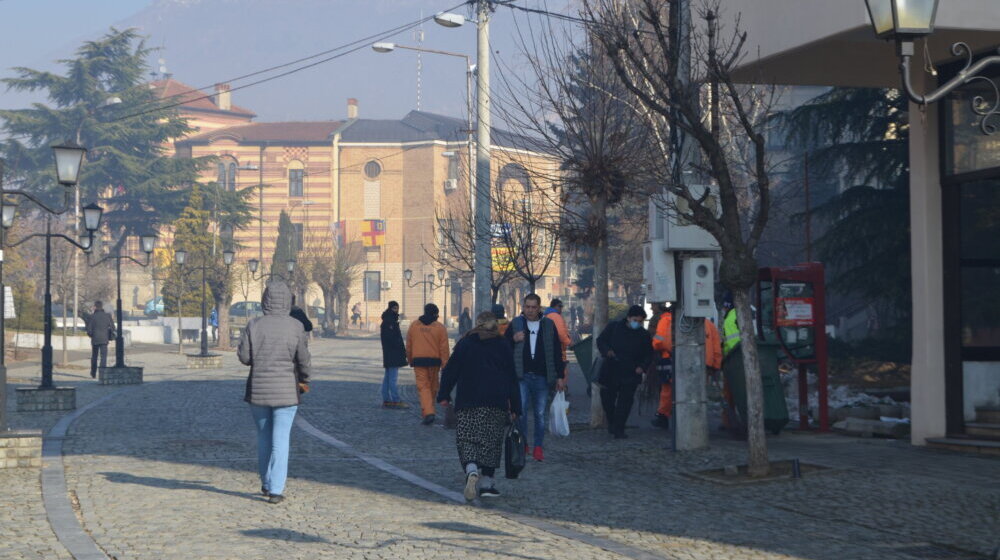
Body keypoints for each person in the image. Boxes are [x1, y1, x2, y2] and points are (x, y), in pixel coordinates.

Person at [237, 281, 311, 505]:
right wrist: (305, 378)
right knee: (281, 439)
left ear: (265, 300)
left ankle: (266, 482)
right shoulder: (296, 326)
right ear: (287, 300)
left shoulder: (254, 325)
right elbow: (303, 359)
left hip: (258, 390)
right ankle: (276, 489)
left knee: (263, 437)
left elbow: (245, 358)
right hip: (287, 391)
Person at [437, 311, 521, 500]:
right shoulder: (503, 345)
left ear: (477, 324)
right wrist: (516, 407)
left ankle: (471, 469)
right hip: (495, 402)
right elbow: (512, 378)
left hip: (468, 401)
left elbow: (451, 370)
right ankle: (486, 483)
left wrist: (444, 395)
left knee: (467, 439)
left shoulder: (466, 343)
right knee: (491, 442)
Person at [504, 293, 565, 462]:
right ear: (523, 307)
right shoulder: (516, 323)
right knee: (521, 412)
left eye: (533, 307)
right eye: (527, 307)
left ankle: (538, 446)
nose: (530, 310)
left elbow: (556, 351)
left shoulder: (548, 325)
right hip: (521, 375)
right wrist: (513, 339)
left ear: (539, 308)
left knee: (539, 413)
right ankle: (523, 444)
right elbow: (503, 346)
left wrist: (560, 376)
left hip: (542, 376)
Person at [597, 305, 653, 439]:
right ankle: (612, 422)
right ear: (628, 318)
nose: (637, 324)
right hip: (611, 369)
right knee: (607, 399)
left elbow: (649, 354)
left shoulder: (644, 335)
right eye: (635, 320)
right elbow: (601, 340)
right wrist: (607, 351)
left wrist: (642, 367)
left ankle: (619, 428)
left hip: (631, 372)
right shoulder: (614, 327)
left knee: (625, 402)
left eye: (640, 322)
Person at [406, 303, 450, 425]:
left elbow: (409, 345)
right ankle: (430, 410)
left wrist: (410, 359)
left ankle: (428, 412)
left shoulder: (414, 326)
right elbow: (444, 349)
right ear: (436, 314)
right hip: (434, 362)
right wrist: (445, 365)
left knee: (423, 387)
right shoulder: (440, 328)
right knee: (433, 386)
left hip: (419, 361)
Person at [380, 301, 409, 410]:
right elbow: (393, 339)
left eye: (397, 308)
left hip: (389, 353)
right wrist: (400, 349)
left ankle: (386, 399)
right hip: (393, 353)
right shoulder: (390, 321)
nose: (396, 310)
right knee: (392, 378)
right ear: (390, 308)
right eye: (394, 308)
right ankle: (395, 400)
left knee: (388, 378)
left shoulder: (389, 320)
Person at [544, 298, 572, 389]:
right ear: (555, 306)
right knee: (562, 371)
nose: (561, 309)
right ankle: (560, 390)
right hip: (558, 349)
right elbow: (561, 334)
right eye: (560, 306)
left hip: (549, 348)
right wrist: (569, 342)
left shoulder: (547, 315)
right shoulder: (556, 316)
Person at [85, 300, 115, 379]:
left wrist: (92, 335)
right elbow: (113, 327)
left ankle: (93, 373)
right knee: (103, 357)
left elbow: (89, 330)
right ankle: (102, 373)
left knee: (94, 356)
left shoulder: (92, 317)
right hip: (104, 339)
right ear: (102, 307)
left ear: (95, 307)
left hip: (95, 339)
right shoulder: (107, 316)